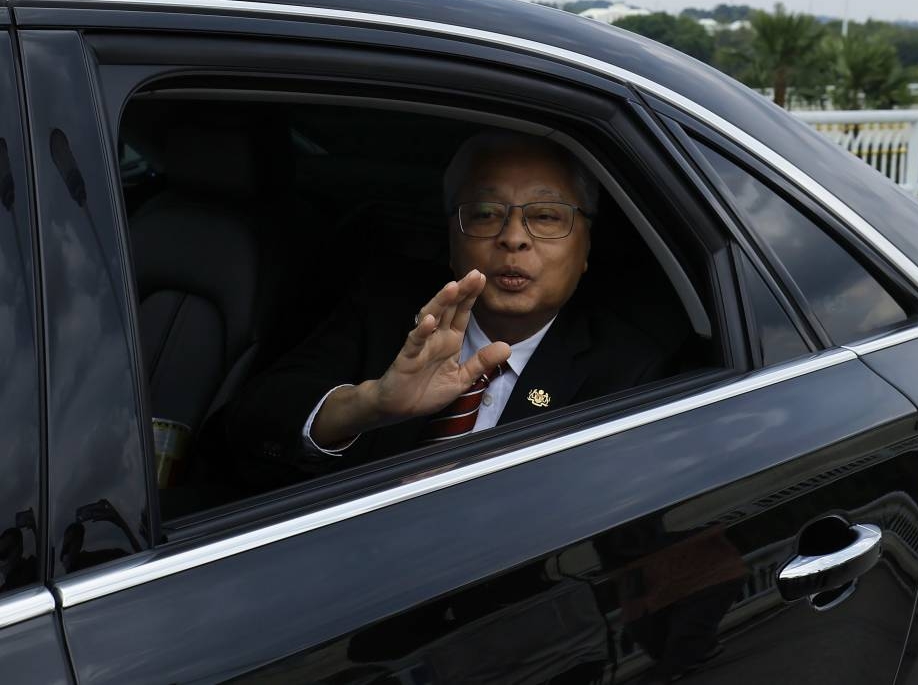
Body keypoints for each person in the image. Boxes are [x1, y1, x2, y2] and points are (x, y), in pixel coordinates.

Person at [227, 130, 669, 478]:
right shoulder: (387, 308)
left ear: (586, 247)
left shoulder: (631, 371)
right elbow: (252, 422)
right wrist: (370, 405)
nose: (513, 237)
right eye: (484, 214)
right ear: (452, 240)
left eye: (546, 216)